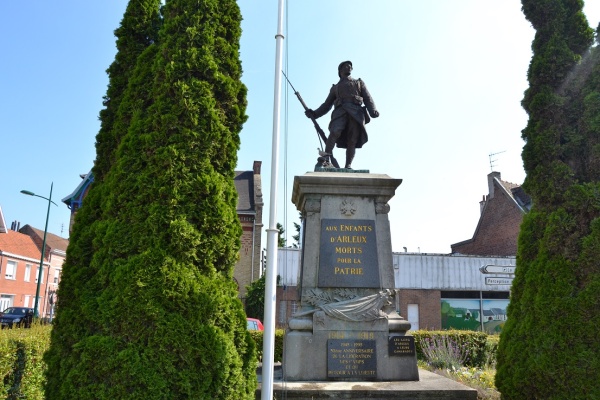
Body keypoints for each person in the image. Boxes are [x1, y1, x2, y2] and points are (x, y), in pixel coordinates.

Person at [305, 61, 379, 169]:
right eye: (346, 66)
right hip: (340, 112)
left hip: (356, 112)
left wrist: (373, 111)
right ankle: (326, 158)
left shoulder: (359, 83)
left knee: (352, 139)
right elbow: (327, 105)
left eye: (350, 66)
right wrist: (314, 113)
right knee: (334, 132)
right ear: (340, 71)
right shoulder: (335, 88)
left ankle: (348, 165)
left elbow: (368, 98)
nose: (349, 67)